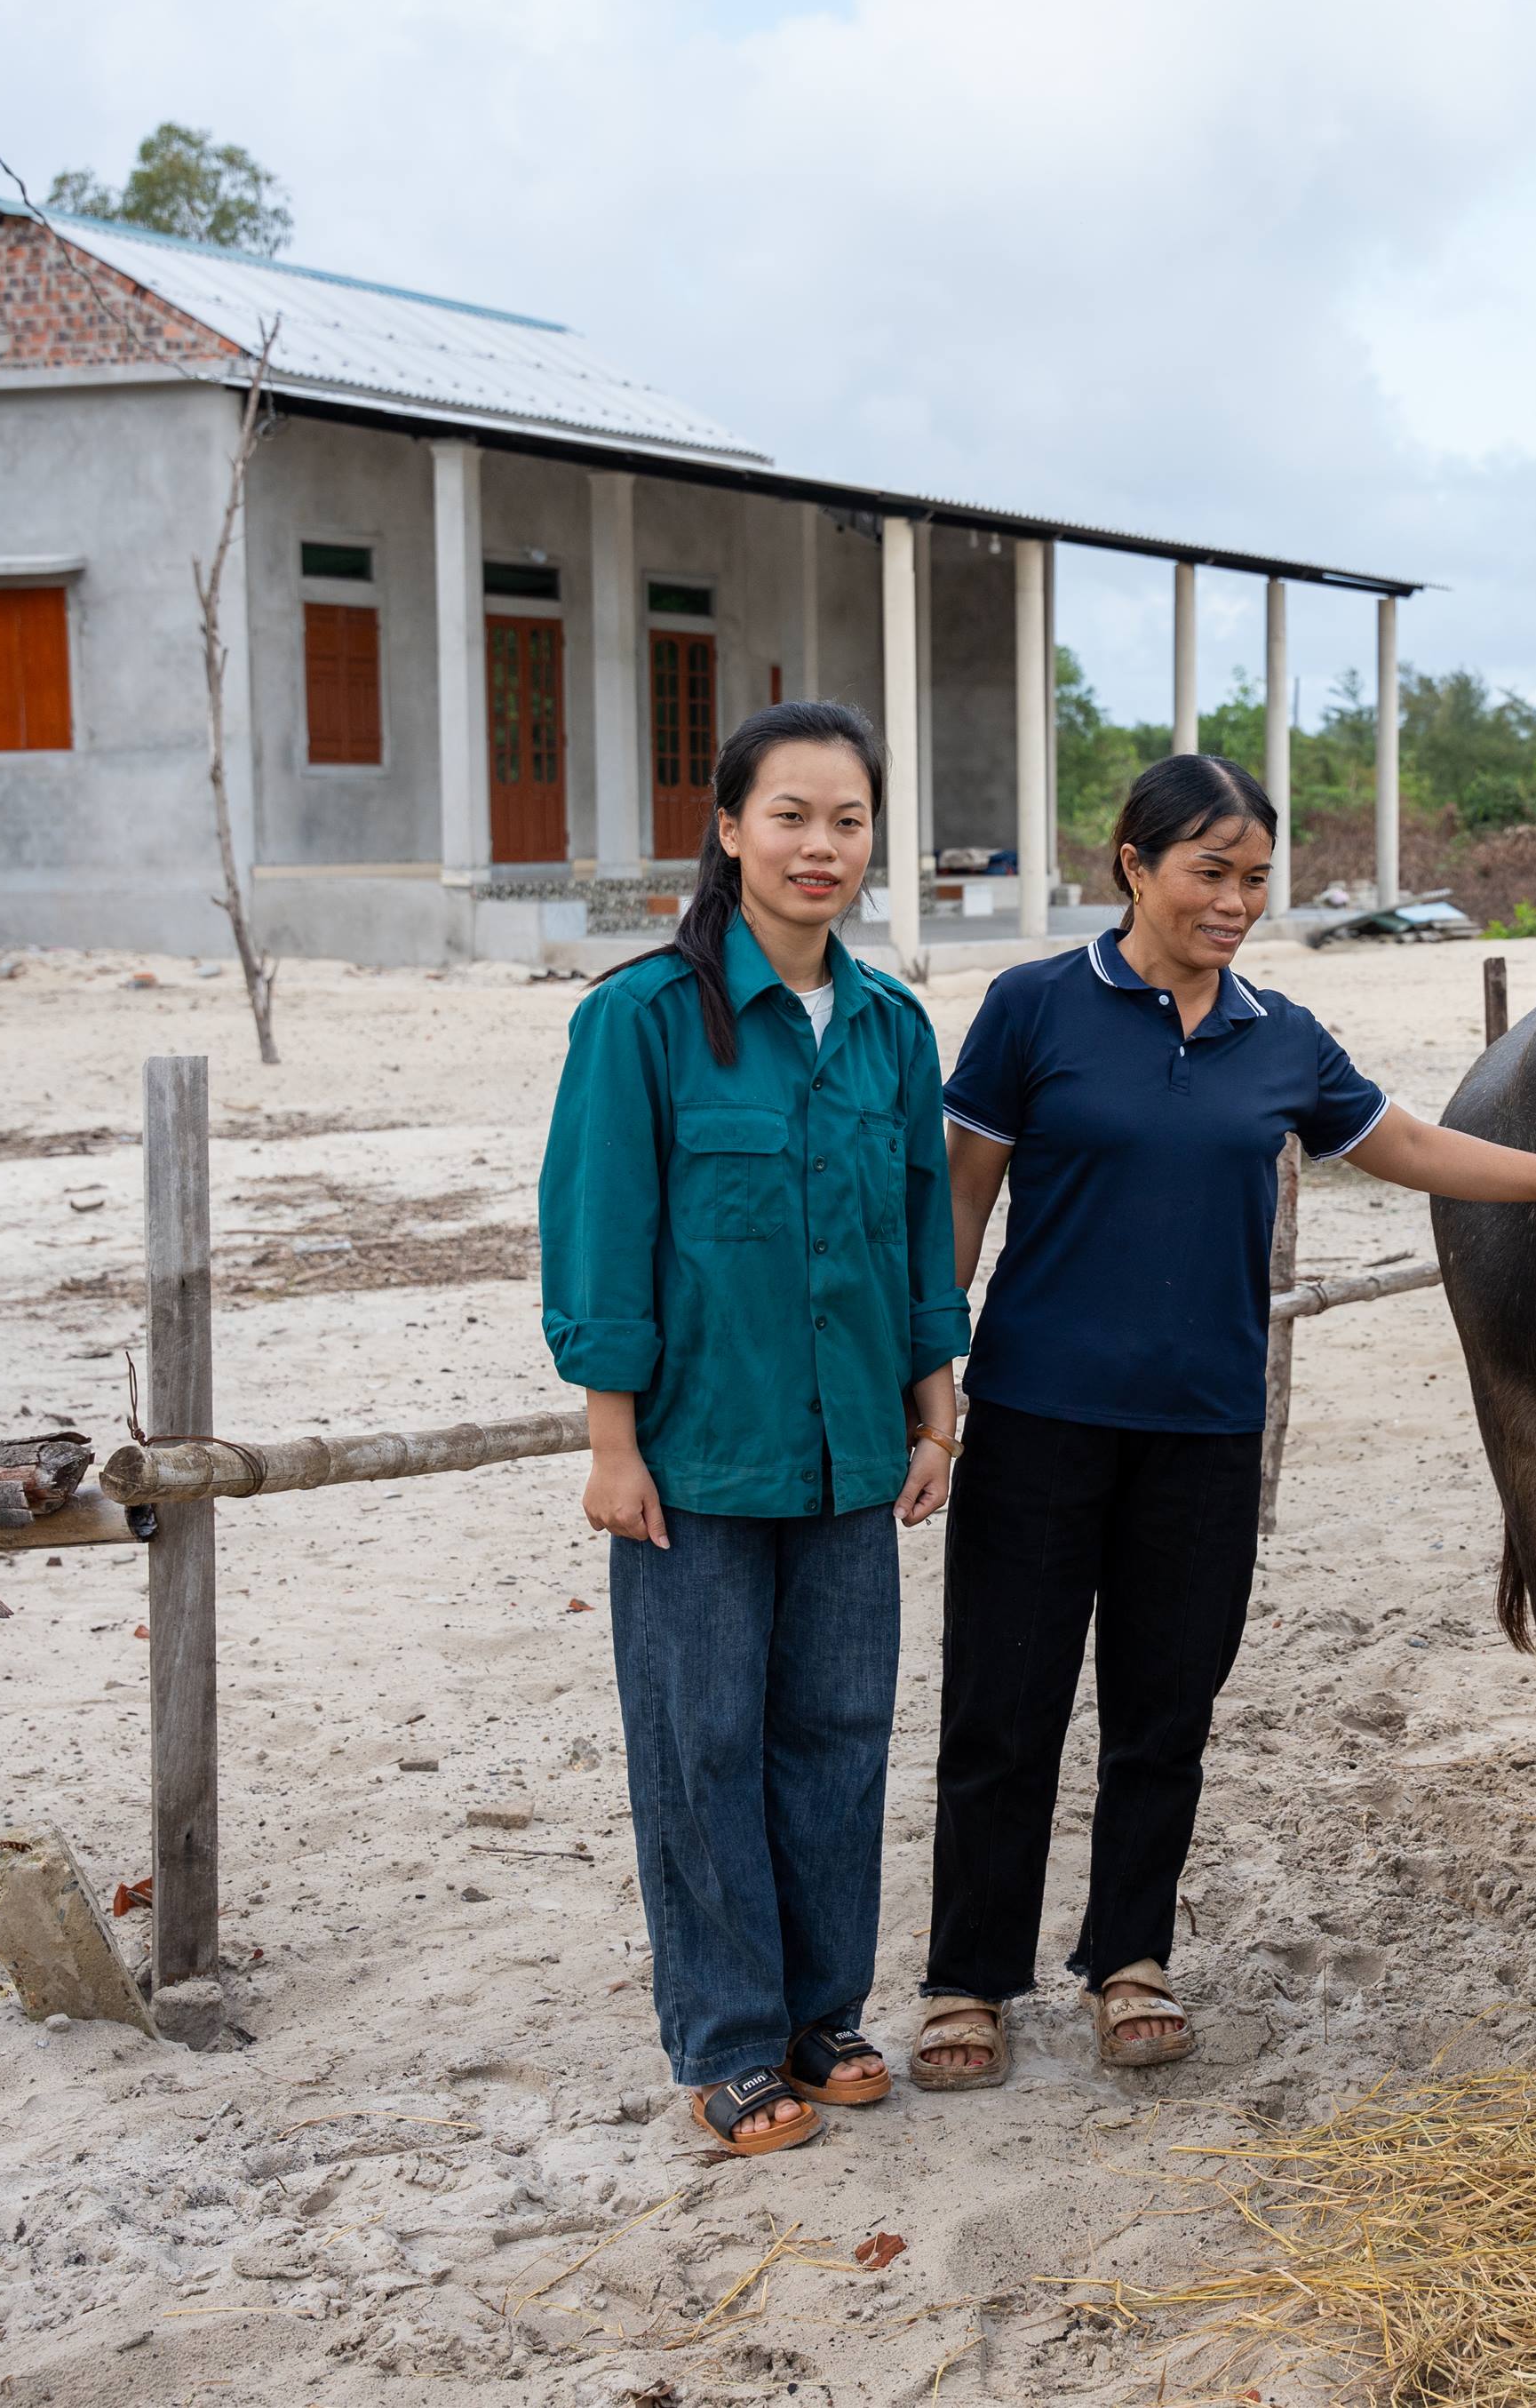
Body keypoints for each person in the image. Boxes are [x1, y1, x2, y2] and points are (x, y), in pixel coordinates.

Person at [911, 753, 1536, 2086]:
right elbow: (961, 1201)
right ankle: (966, 1978)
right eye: (1209, 873)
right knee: (1005, 1704)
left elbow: (1408, 1145)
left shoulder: (1280, 1034)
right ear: (1134, 865)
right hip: (1040, 1416)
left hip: (1208, 1429)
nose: (1236, 903)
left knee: (1166, 1708)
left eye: (1257, 879)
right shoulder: (1033, 1006)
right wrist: (931, 1378)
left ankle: (1129, 1957)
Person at [537, 700, 965, 2157]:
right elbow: (599, 1236)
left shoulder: (895, 1027)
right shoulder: (641, 1019)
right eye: (789, 815)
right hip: (695, 1458)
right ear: (727, 829)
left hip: (854, 1450)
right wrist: (610, 1440)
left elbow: (920, 1233)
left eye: (847, 820)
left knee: (838, 1736)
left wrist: (934, 1403)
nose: (820, 846)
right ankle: (726, 2039)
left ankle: (819, 2011)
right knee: (701, 1738)